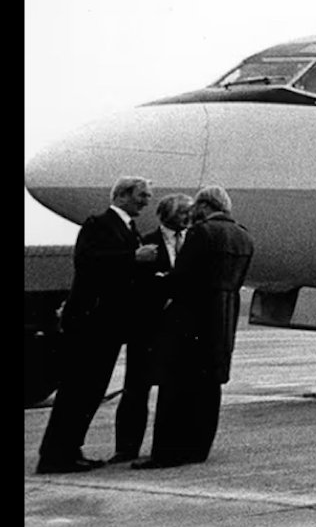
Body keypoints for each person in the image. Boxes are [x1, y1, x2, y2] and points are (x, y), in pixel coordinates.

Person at [37, 176, 158, 473]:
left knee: (89, 392)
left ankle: (69, 450)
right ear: (121, 195)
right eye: (142, 195)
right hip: (91, 325)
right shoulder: (99, 224)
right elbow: (89, 261)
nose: (146, 201)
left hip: (108, 327)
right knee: (77, 391)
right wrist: (134, 256)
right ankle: (55, 456)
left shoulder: (128, 227)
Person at [134, 185, 255, 468]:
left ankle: (167, 453)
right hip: (224, 316)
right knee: (209, 387)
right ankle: (198, 449)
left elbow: (183, 279)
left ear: (204, 206)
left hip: (192, 317)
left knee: (175, 386)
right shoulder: (243, 236)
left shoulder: (202, 233)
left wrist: (158, 279)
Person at [112, 192, 194, 463]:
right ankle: (126, 448)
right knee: (136, 390)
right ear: (165, 214)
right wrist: (165, 284)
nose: (188, 217)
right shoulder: (145, 242)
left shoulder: (194, 241)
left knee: (176, 389)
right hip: (148, 327)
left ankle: (173, 445)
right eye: (183, 212)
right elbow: (136, 284)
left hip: (179, 329)